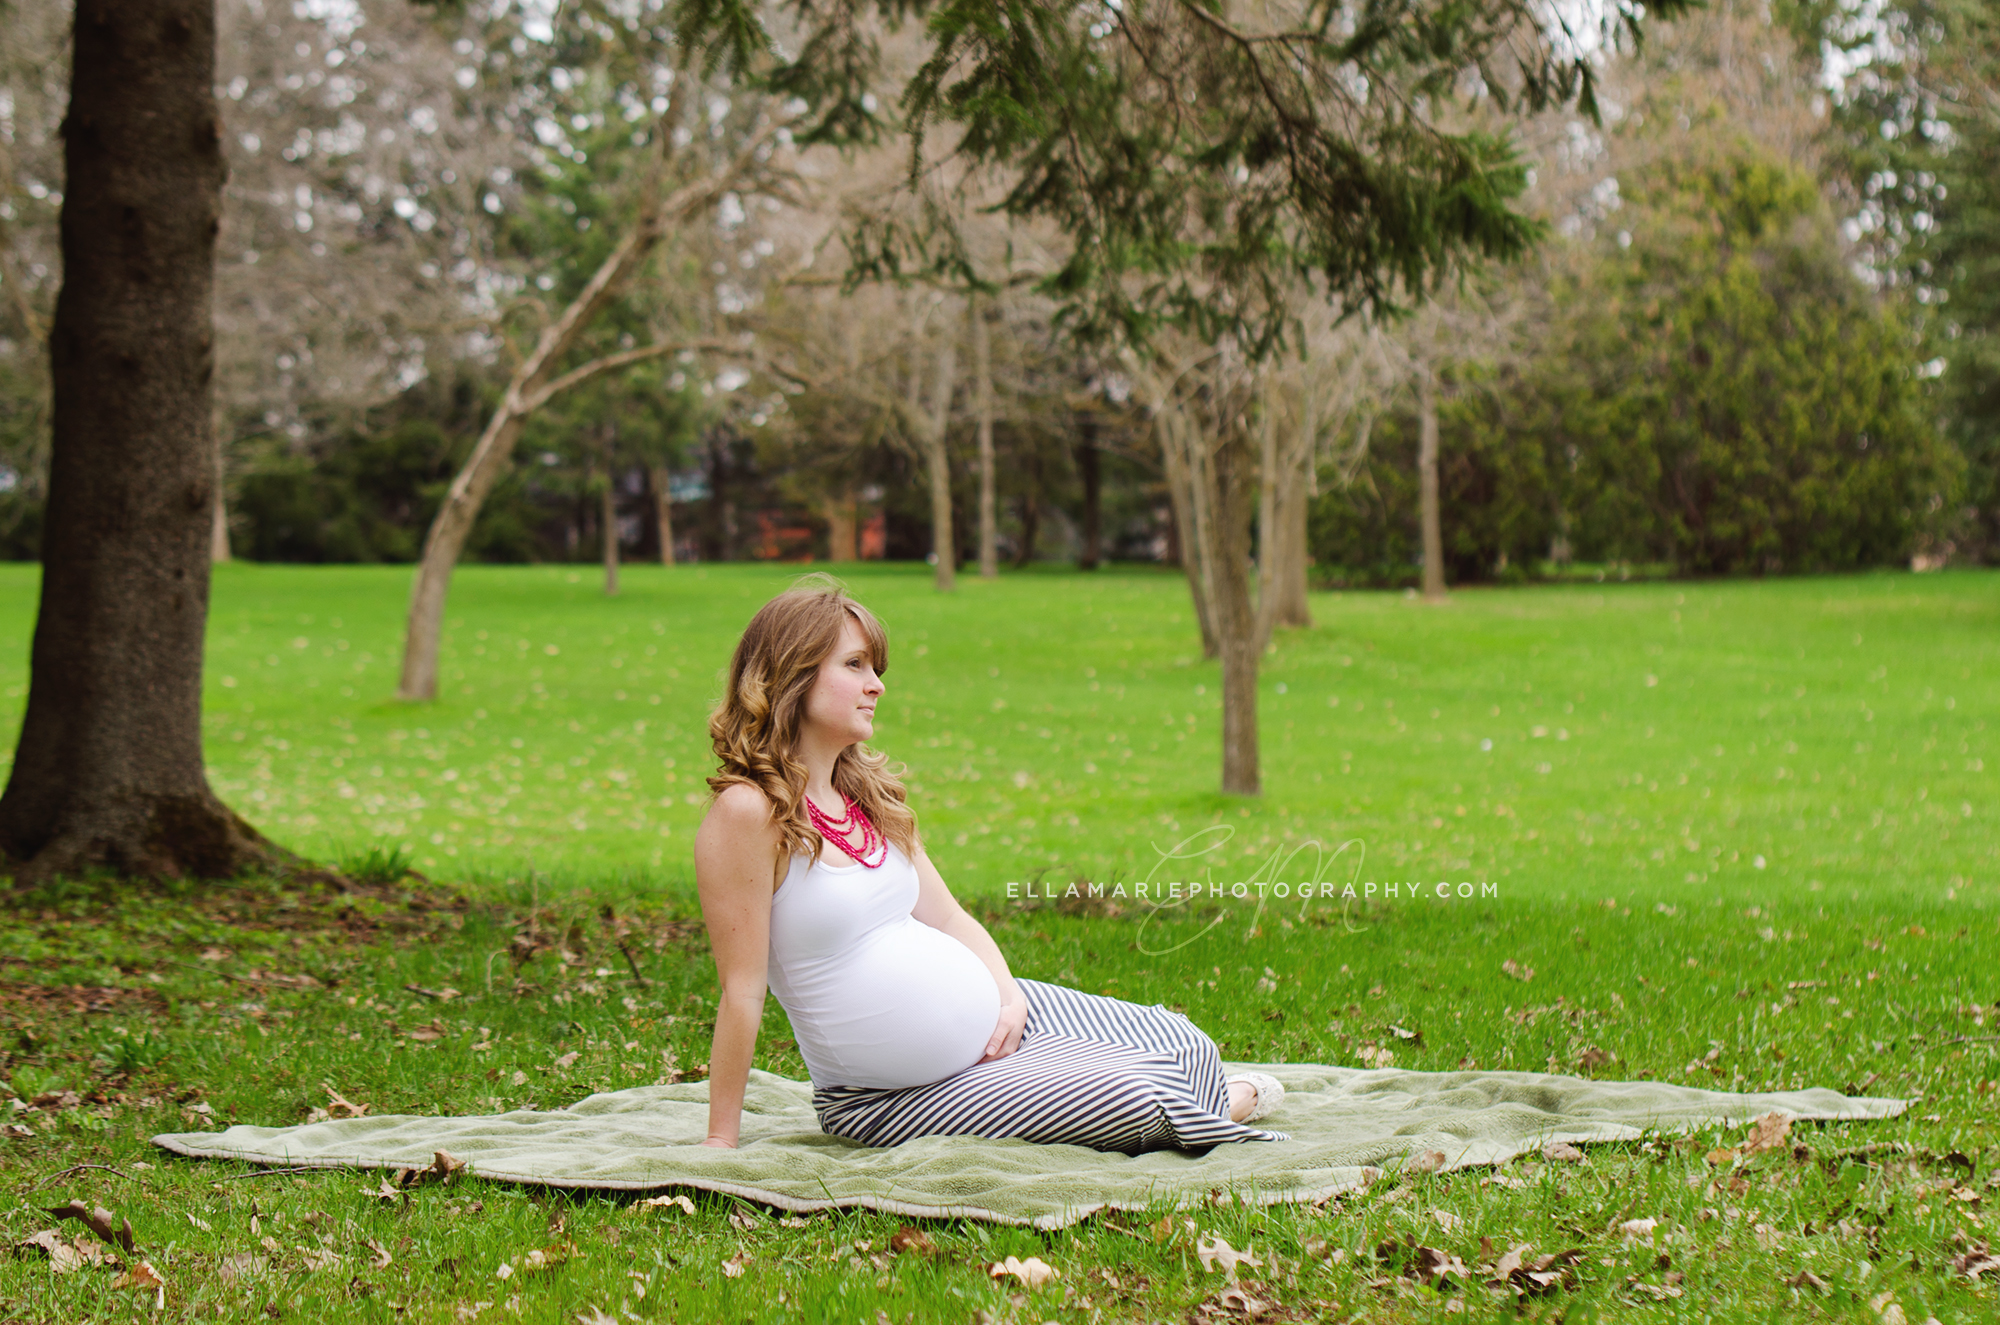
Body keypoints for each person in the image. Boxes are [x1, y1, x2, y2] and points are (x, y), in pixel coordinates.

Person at [692, 575, 1287, 1153]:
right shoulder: (750, 813)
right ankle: (1209, 1105)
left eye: (876, 669)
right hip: (894, 1096)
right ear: (792, 674)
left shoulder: (863, 797)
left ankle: (1189, 1094)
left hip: (997, 1024)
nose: (876, 686)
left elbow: (950, 920)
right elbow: (742, 991)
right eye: (855, 666)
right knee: (1139, 1094)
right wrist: (722, 1139)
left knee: (1183, 1043)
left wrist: (1007, 999)